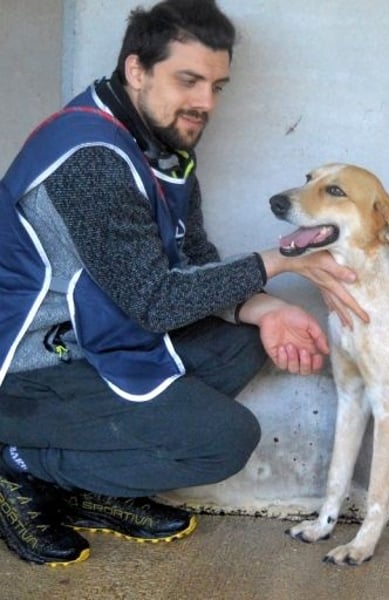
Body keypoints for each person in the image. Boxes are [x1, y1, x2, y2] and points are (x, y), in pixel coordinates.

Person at [0, 0, 366, 566]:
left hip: (94, 340)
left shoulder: (160, 147)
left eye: (217, 86)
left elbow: (194, 260)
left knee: (247, 339)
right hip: (27, 367)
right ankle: (19, 465)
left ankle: (91, 477)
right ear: (136, 70)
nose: (206, 103)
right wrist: (281, 262)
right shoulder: (91, 156)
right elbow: (154, 301)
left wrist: (265, 309)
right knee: (222, 440)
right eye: (188, 80)